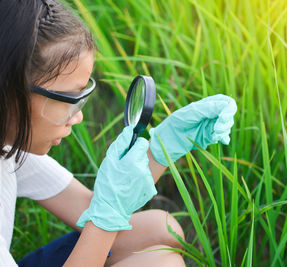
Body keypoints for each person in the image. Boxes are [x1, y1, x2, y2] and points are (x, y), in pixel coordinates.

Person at [0, 0, 237, 266]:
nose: (77, 117)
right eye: (67, 99)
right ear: (9, 89)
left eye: (81, 98)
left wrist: (161, 150)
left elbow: (87, 208)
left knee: (161, 228)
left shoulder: (10, 148)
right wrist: (108, 212)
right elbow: (103, 216)